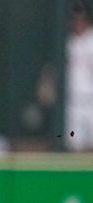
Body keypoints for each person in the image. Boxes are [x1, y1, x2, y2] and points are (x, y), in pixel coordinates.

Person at [66, 0, 93, 150]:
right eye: (75, 19)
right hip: (73, 101)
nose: (78, 23)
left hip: (91, 98)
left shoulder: (91, 39)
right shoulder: (67, 41)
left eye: (81, 19)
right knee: (74, 143)